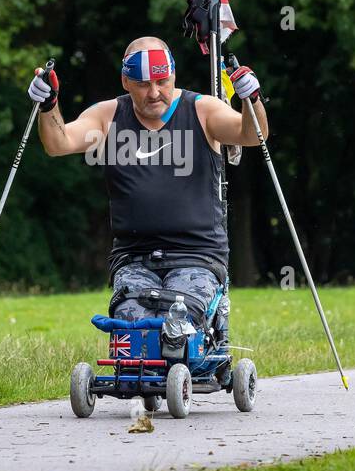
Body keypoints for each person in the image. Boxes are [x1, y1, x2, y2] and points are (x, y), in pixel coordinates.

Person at [28, 36, 268, 351]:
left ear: (173, 75)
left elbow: (252, 135)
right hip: (134, 256)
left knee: (179, 318)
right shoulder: (108, 115)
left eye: (161, 81)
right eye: (142, 84)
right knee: (129, 322)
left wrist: (252, 99)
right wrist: (48, 105)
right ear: (126, 81)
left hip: (196, 255)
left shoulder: (202, 110)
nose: (154, 93)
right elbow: (58, 143)